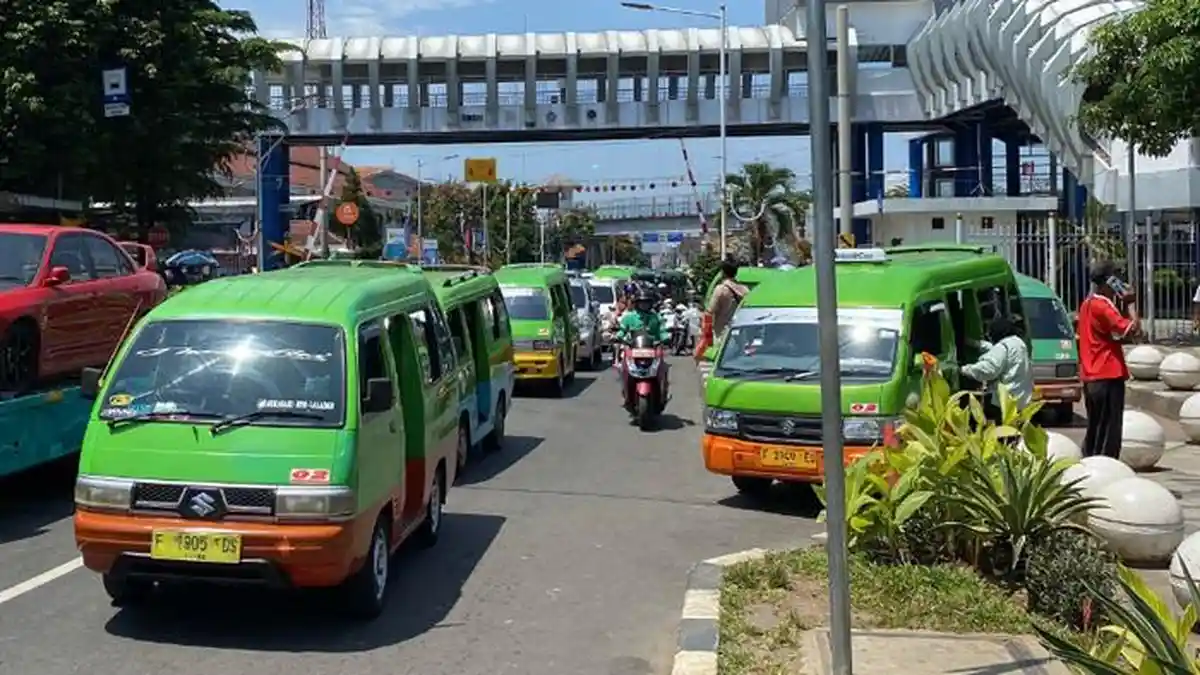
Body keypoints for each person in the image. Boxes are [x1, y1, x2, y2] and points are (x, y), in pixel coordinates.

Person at [1078, 261, 1139, 458]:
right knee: (1110, 431)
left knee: (1095, 428)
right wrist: (1130, 304)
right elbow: (1133, 329)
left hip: (1091, 375)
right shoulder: (1103, 305)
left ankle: (1090, 462)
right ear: (1109, 282)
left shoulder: (1087, 304)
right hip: (1108, 373)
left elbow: (1111, 335)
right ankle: (1106, 465)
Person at [961, 316, 1034, 421]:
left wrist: (963, 369)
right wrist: (976, 344)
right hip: (1021, 399)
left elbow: (989, 370)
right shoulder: (1018, 343)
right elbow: (998, 351)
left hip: (1005, 402)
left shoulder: (1004, 347)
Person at [694, 257, 749, 361]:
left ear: (723, 272)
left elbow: (710, 311)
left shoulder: (720, 289)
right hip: (741, 335)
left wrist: (706, 336)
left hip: (723, 334)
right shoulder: (745, 290)